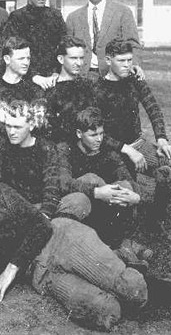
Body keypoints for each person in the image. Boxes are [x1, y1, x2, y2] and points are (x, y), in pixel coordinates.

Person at [0, 157, 171, 331]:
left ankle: (130, 268)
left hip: (59, 239)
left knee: (131, 287)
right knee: (104, 310)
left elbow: (40, 226)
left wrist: (9, 271)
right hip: (39, 272)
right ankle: (122, 259)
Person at [94, 39, 171, 236]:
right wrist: (126, 149)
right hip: (112, 150)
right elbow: (97, 134)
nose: (127, 65)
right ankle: (141, 213)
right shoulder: (97, 89)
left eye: (130, 60)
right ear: (108, 60)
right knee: (131, 190)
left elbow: (153, 108)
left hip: (138, 143)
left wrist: (161, 139)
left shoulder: (135, 80)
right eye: (121, 61)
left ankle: (155, 217)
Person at [57, 107, 142, 251]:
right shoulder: (66, 149)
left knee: (125, 186)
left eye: (102, 133)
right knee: (91, 179)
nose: (99, 139)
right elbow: (63, 183)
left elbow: (128, 179)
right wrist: (98, 191)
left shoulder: (109, 153)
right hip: (78, 209)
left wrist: (136, 196)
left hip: (105, 212)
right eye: (93, 135)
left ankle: (115, 244)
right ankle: (120, 247)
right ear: (79, 133)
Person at [0, 100, 73, 219]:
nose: (11, 132)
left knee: (78, 201)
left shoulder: (45, 147)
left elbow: (51, 187)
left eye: (17, 127)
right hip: (10, 209)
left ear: (31, 125)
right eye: (8, 126)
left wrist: (44, 215)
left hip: (39, 207)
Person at [66, 0, 143, 77]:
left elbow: (133, 44)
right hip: (83, 76)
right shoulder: (73, 17)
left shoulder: (122, 12)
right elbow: (68, 50)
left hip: (114, 75)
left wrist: (134, 64)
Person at [1, 0, 66, 90]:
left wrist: (56, 72)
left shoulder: (55, 16)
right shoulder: (16, 18)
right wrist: (34, 76)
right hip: (26, 80)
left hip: (54, 80)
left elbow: (64, 47)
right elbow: (12, 52)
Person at [45, 35, 98, 143]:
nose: (79, 63)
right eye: (73, 58)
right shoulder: (51, 89)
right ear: (60, 59)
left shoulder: (88, 86)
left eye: (81, 58)